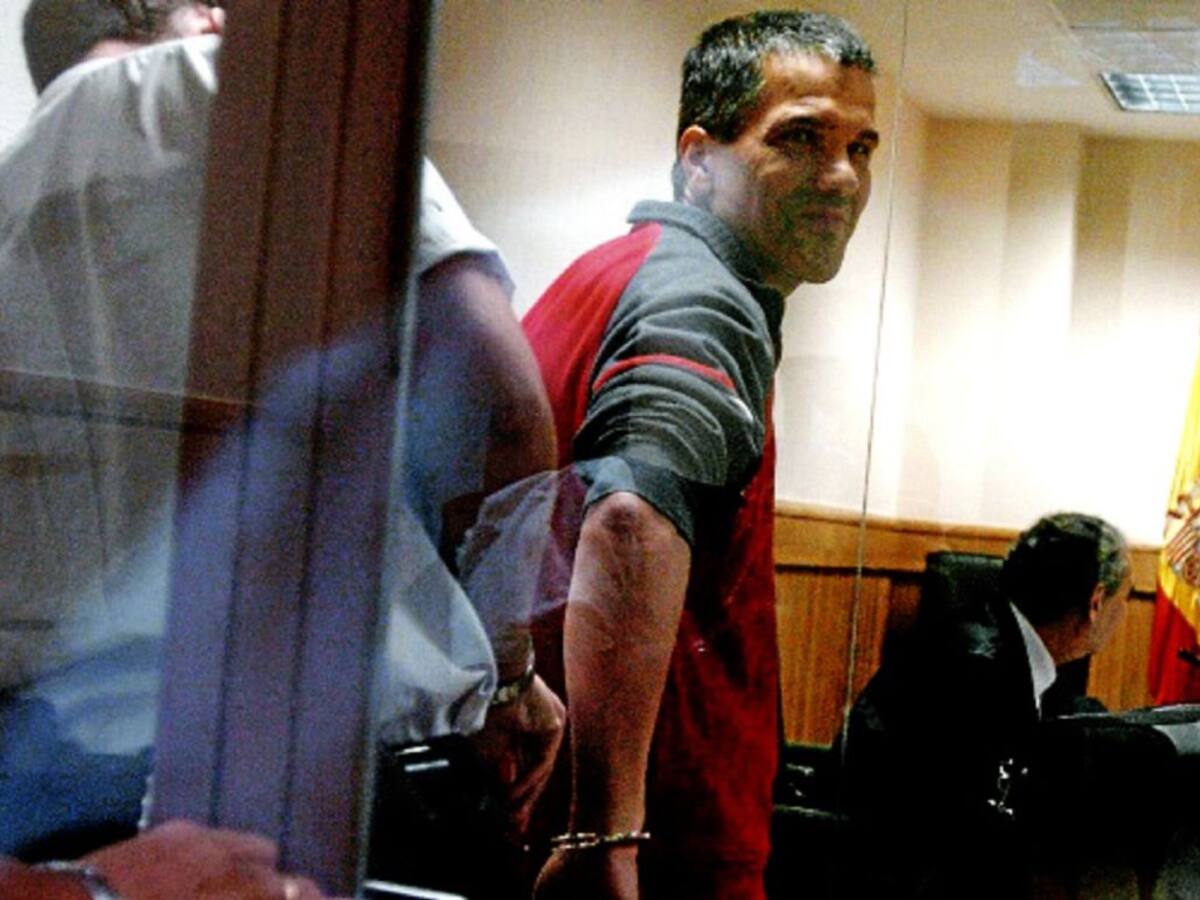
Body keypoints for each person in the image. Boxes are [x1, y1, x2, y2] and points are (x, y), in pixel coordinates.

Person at [4, 0, 560, 883]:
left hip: (48, 787)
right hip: (327, 774)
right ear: (198, 15)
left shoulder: (13, 184)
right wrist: (510, 672)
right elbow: (500, 398)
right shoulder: (238, 92)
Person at [521, 11, 878, 899]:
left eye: (861, 147)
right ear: (699, 160)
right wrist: (605, 836)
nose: (842, 175)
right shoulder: (703, 302)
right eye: (800, 138)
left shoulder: (616, 271)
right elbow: (630, 521)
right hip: (655, 860)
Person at [840, 512, 1133, 899]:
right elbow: (973, 830)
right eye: (1124, 599)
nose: (1124, 613)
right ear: (1096, 602)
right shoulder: (981, 672)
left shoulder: (1000, 638)